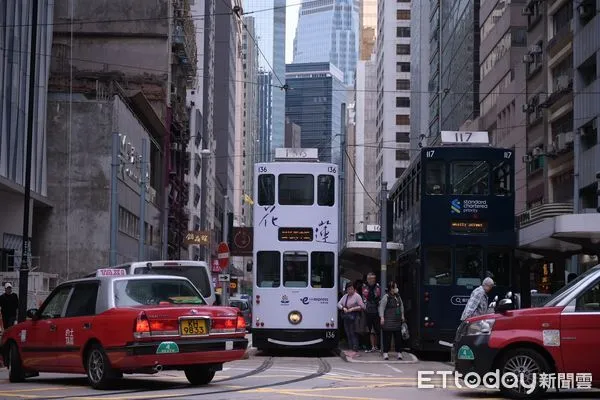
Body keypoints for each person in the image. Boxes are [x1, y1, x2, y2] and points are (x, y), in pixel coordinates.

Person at [379, 281, 405, 360]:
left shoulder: (398, 296)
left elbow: (401, 306)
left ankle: (399, 353)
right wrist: (382, 317)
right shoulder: (386, 297)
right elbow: (381, 308)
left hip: (397, 321)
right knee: (387, 338)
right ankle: (386, 353)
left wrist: (402, 315)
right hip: (388, 321)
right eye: (395, 287)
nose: (396, 288)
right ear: (391, 289)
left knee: (398, 338)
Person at [337, 282, 365, 352]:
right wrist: (343, 308)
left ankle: (355, 348)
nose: (350, 291)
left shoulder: (357, 296)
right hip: (347, 316)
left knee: (353, 333)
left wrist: (353, 309)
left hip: (354, 316)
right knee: (348, 332)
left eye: (352, 289)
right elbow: (338, 304)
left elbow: (362, 306)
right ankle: (350, 347)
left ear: (354, 289)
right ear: (346, 290)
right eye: (349, 289)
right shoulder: (345, 296)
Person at [361, 272, 381, 352]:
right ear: (367, 279)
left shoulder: (378, 286)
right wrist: (366, 306)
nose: (371, 280)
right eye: (369, 278)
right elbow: (364, 298)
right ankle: (368, 347)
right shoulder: (364, 287)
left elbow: (379, 297)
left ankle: (378, 346)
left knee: (377, 329)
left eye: (373, 278)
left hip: (376, 310)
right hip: (368, 310)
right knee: (367, 330)